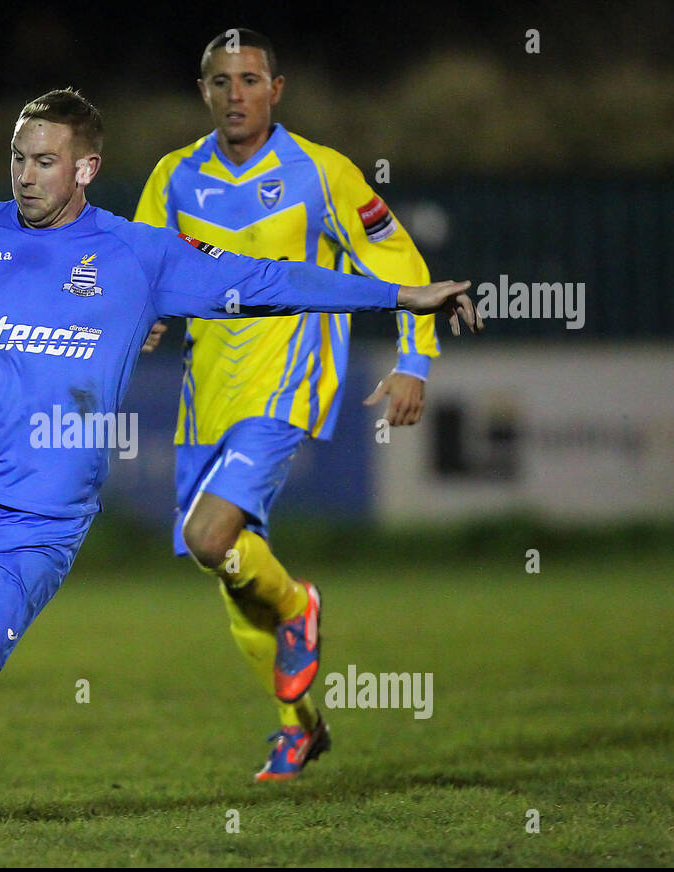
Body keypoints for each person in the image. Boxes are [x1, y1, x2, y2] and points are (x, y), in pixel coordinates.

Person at [0, 88, 476, 832]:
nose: (25, 175)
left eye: (45, 161)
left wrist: (404, 295)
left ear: (85, 167)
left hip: (39, 526)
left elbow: (273, 280)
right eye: (18, 158)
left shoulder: (139, 254)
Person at [134, 29, 479, 781]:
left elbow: (398, 263)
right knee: (225, 562)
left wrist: (415, 359)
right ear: (204, 92)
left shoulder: (321, 172)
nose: (236, 95)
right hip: (207, 395)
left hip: (290, 381)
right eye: (221, 81)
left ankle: (299, 606)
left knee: (210, 534)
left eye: (250, 79)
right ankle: (300, 724)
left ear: (276, 90)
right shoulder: (173, 177)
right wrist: (143, 317)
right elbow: (143, 270)